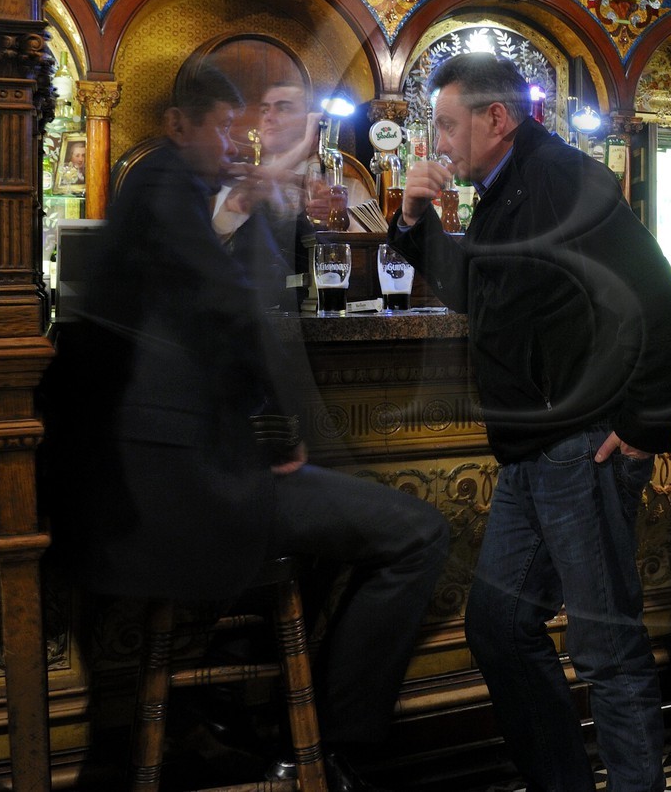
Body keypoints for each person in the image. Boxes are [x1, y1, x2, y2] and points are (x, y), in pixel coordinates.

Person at [47, 64, 448, 792]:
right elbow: (228, 309)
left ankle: (250, 710)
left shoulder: (176, 189)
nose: (240, 141)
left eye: (250, 126)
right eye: (229, 127)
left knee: (338, 530)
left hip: (158, 483)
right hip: (185, 490)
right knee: (417, 532)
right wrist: (276, 431)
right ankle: (336, 743)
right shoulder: (166, 182)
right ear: (180, 126)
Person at [391, 52, 671, 792]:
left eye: (451, 124)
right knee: (500, 628)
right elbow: (481, 292)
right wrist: (411, 221)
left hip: (579, 446)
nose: (441, 141)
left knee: (606, 649)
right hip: (533, 450)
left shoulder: (558, 177)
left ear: (498, 118)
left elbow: (658, 294)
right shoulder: (505, 187)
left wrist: (647, 420)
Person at [213, 78, 373, 243]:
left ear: (311, 119)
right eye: (264, 110)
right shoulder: (241, 178)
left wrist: (339, 220)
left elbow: (373, 249)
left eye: (283, 108)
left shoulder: (348, 188)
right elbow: (217, 237)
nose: (269, 117)